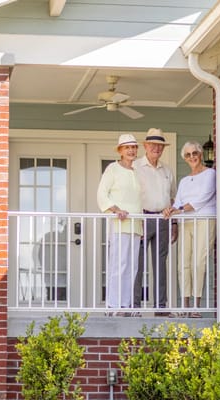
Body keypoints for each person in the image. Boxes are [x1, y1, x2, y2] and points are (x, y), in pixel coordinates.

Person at [163, 140, 216, 318]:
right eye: (188, 155)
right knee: (183, 263)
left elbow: (204, 197)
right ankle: (185, 305)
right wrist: (171, 210)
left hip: (203, 220)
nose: (192, 157)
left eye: (195, 153)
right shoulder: (185, 180)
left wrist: (181, 209)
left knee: (198, 262)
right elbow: (177, 200)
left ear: (201, 154)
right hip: (185, 222)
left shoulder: (211, 174)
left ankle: (196, 306)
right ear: (185, 159)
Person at [132, 128, 177, 317]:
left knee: (160, 264)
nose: (156, 148)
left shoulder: (167, 170)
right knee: (138, 264)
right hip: (142, 218)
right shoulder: (135, 167)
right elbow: (131, 195)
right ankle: (134, 307)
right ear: (145, 146)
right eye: (153, 145)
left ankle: (161, 307)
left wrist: (174, 223)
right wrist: (137, 218)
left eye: (160, 145)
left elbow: (173, 198)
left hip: (163, 219)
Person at [97, 133, 143, 316]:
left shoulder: (138, 171)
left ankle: (125, 305)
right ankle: (113, 305)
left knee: (132, 267)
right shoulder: (112, 169)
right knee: (119, 264)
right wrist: (116, 210)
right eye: (127, 147)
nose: (131, 150)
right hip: (120, 224)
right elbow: (102, 194)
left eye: (133, 147)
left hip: (136, 225)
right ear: (120, 151)